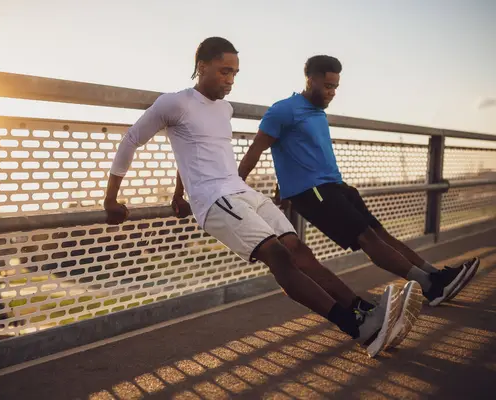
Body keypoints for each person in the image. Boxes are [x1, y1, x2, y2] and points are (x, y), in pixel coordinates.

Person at [104, 37, 418, 357]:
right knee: (278, 256)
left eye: (235, 74)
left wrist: (178, 193)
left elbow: (195, 153)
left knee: (299, 250)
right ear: (202, 67)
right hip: (215, 200)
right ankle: (358, 328)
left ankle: (366, 311)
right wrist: (110, 200)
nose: (231, 80)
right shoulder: (174, 103)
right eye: (225, 71)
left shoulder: (224, 108)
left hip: (242, 191)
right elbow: (131, 140)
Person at [238, 55, 480, 307]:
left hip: (335, 186)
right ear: (310, 80)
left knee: (379, 233)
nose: (332, 92)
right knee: (367, 238)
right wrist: (236, 186)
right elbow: (257, 148)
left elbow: (297, 152)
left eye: (336, 87)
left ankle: (435, 275)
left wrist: (283, 182)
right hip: (313, 193)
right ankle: (431, 287)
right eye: (328, 86)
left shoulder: (317, 112)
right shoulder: (283, 110)